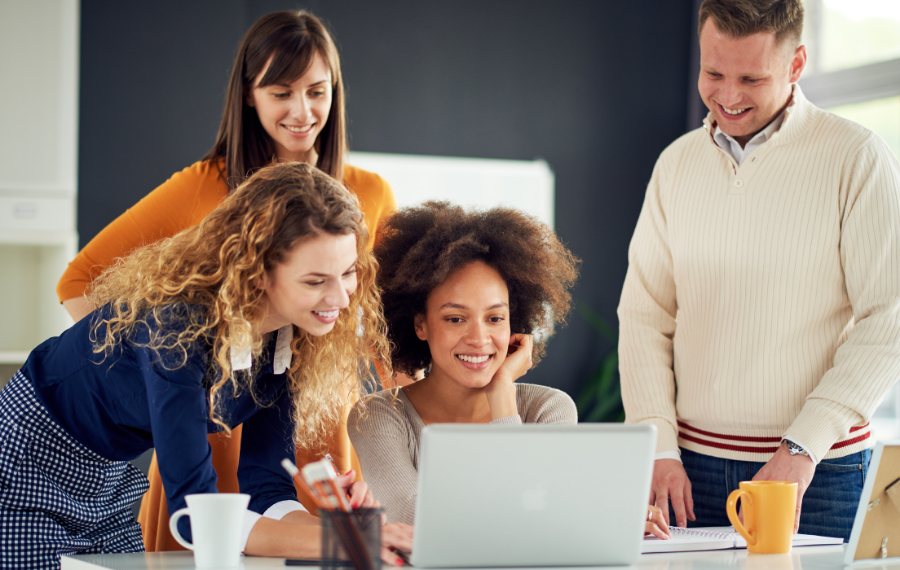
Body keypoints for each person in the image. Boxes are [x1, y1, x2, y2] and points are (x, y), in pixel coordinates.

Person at [55, 10, 398, 550]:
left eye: (317, 91)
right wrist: (167, 378)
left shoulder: (368, 195)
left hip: (309, 423)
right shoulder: (203, 187)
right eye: (282, 92)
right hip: (197, 435)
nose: (302, 111)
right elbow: (81, 282)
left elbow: (380, 334)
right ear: (248, 94)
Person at [0, 163, 413, 568]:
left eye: (348, 273)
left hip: (105, 476)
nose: (341, 298)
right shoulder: (175, 328)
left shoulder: (288, 339)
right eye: (315, 281)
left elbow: (267, 488)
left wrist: (338, 532)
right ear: (255, 273)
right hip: (27, 460)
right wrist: (339, 541)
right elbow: (197, 518)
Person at [618, 0, 900, 542]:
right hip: (689, 469)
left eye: (751, 77)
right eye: (713, 72)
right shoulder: (675, 164)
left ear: (796, 65)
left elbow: (887, 321)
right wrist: (656, 443)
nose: (727, 95)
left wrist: (802, 447)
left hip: (818, 471)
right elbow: (644, 315)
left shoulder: (857, 158)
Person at [346, 202, 670, 540]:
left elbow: (532, 519)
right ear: (420, 325)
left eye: (495, 318)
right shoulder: (377, 417)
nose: (479, 338)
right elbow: (413, 520)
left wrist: (502, 394)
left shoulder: (549, 409)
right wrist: (574, 513)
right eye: (455, 318)